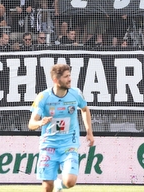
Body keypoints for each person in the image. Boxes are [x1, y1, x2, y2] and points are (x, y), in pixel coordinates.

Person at [28, 63, 95, 192]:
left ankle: (59, 186)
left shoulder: (76, 94)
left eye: (69, 75)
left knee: (69, 182)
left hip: (69, 144)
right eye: (65, 77)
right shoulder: (43, 97)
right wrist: (40, 122)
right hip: (49, 145)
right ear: (56, 80)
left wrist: (89, 132)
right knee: (47, 187)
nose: (69, 79)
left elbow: (85, 110)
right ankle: (54, 185)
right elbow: (31, 123)